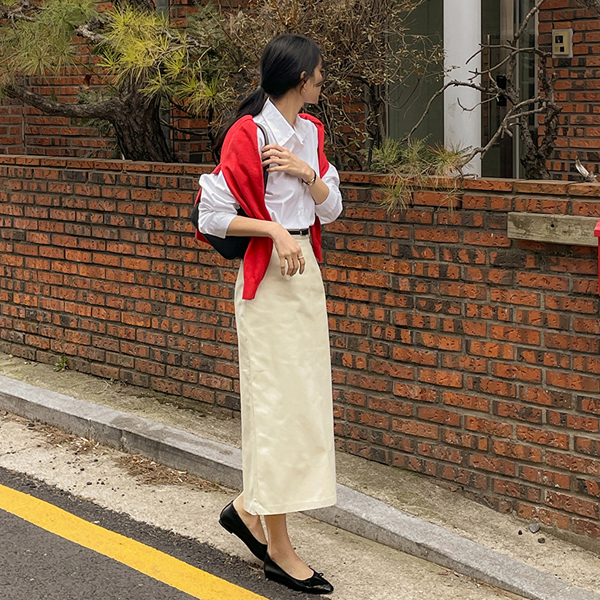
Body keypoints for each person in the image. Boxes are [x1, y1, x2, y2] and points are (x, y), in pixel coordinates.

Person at [197, 33, 343, 595]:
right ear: (301, 78)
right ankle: (278, 549)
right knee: (277, 410)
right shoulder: (249, 133)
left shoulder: (311, 134)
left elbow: (334, 207)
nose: (323, 80)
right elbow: (212, 217)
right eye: (319, 73)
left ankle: (245, 510)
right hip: (268, 281)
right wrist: (274, 230)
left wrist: (307, 173)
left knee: (304, 407)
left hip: (305, 276)